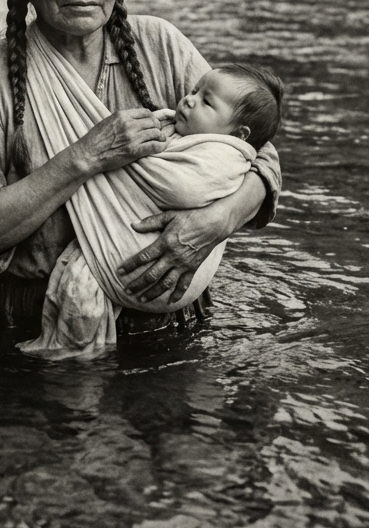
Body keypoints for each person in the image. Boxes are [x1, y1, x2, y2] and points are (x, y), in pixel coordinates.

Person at [0, 0, 282, 341]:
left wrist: (216, 222)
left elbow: (258, 153)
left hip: (166, 319)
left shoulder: (158, 44)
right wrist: (83, 158)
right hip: (27, 323)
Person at [17, 62, 285, 356]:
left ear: (241, 134)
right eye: (194, 90)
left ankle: (72, 352)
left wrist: (222, 217)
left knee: (80, 292)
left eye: (205, 101)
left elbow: (183, 185)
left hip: (153, 279)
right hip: (88, 274)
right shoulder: (183, 126)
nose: (189, 98)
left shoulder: (224, 156)